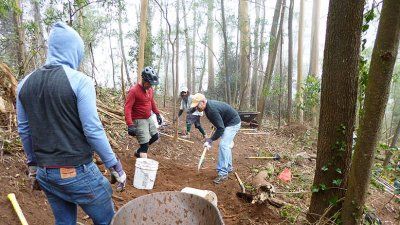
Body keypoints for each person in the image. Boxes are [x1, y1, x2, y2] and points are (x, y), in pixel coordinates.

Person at [16, 22, 126, 225]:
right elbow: (92, 130)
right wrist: (114, 165)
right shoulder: (80, 81)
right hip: (77, 172)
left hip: (46, 174)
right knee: (110, 220)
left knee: (64, 222)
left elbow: (24, 130)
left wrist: (33, 166)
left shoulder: (24, 84)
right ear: (74, 50)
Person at [190, 93, 241, 184]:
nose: (196, 108)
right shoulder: (208, 107)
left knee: (224, 145)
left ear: (203, 102)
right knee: (226, 145)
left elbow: (221, 128)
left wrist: (210, 140)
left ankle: (223, 173)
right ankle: (228, 167)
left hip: (233, 123)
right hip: (226, 122)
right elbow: (219, 121)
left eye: (197, 105)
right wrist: (216, 125)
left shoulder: (211, 110)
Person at [124, 66, 162, 159]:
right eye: (149, 84)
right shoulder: (133, 91)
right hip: (139, 120)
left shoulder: (150, 89)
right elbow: (127, 108)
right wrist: (130, 124)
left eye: (151, 84)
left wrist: (157, 114)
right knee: (144, 145)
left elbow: (151, 101)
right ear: (144, 80)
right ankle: (143, 170)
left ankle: (138, 151)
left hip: (148, 117)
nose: (150, 86)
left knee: (155, 136)